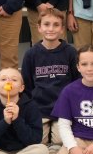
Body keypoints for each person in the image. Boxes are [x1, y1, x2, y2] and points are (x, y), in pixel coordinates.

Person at [20, 8, 80, 144]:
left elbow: (77, 82)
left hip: (63, 109)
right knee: (37, 142)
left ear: (62, 29)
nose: (51, 29)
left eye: (56, 25)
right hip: (39, 110)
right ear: (39, 27)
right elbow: (27, 86)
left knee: (61, 141)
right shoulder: (31, 54)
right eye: (46, 24)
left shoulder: (71, 52)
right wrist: (30, 109)